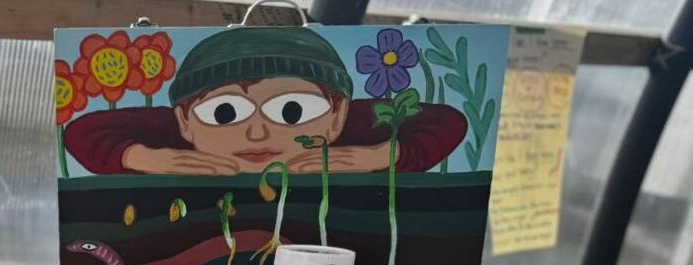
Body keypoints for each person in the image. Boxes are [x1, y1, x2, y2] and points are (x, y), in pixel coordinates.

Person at [64, 26, 466, 176]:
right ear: (185, 121)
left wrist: (380, 155)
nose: (257, 133)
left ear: (337, 114)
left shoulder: (351, 130)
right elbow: (82, 131)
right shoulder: (179, 137)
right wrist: (146, 158)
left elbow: (448, 122)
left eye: (292, 110)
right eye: (226, 112)